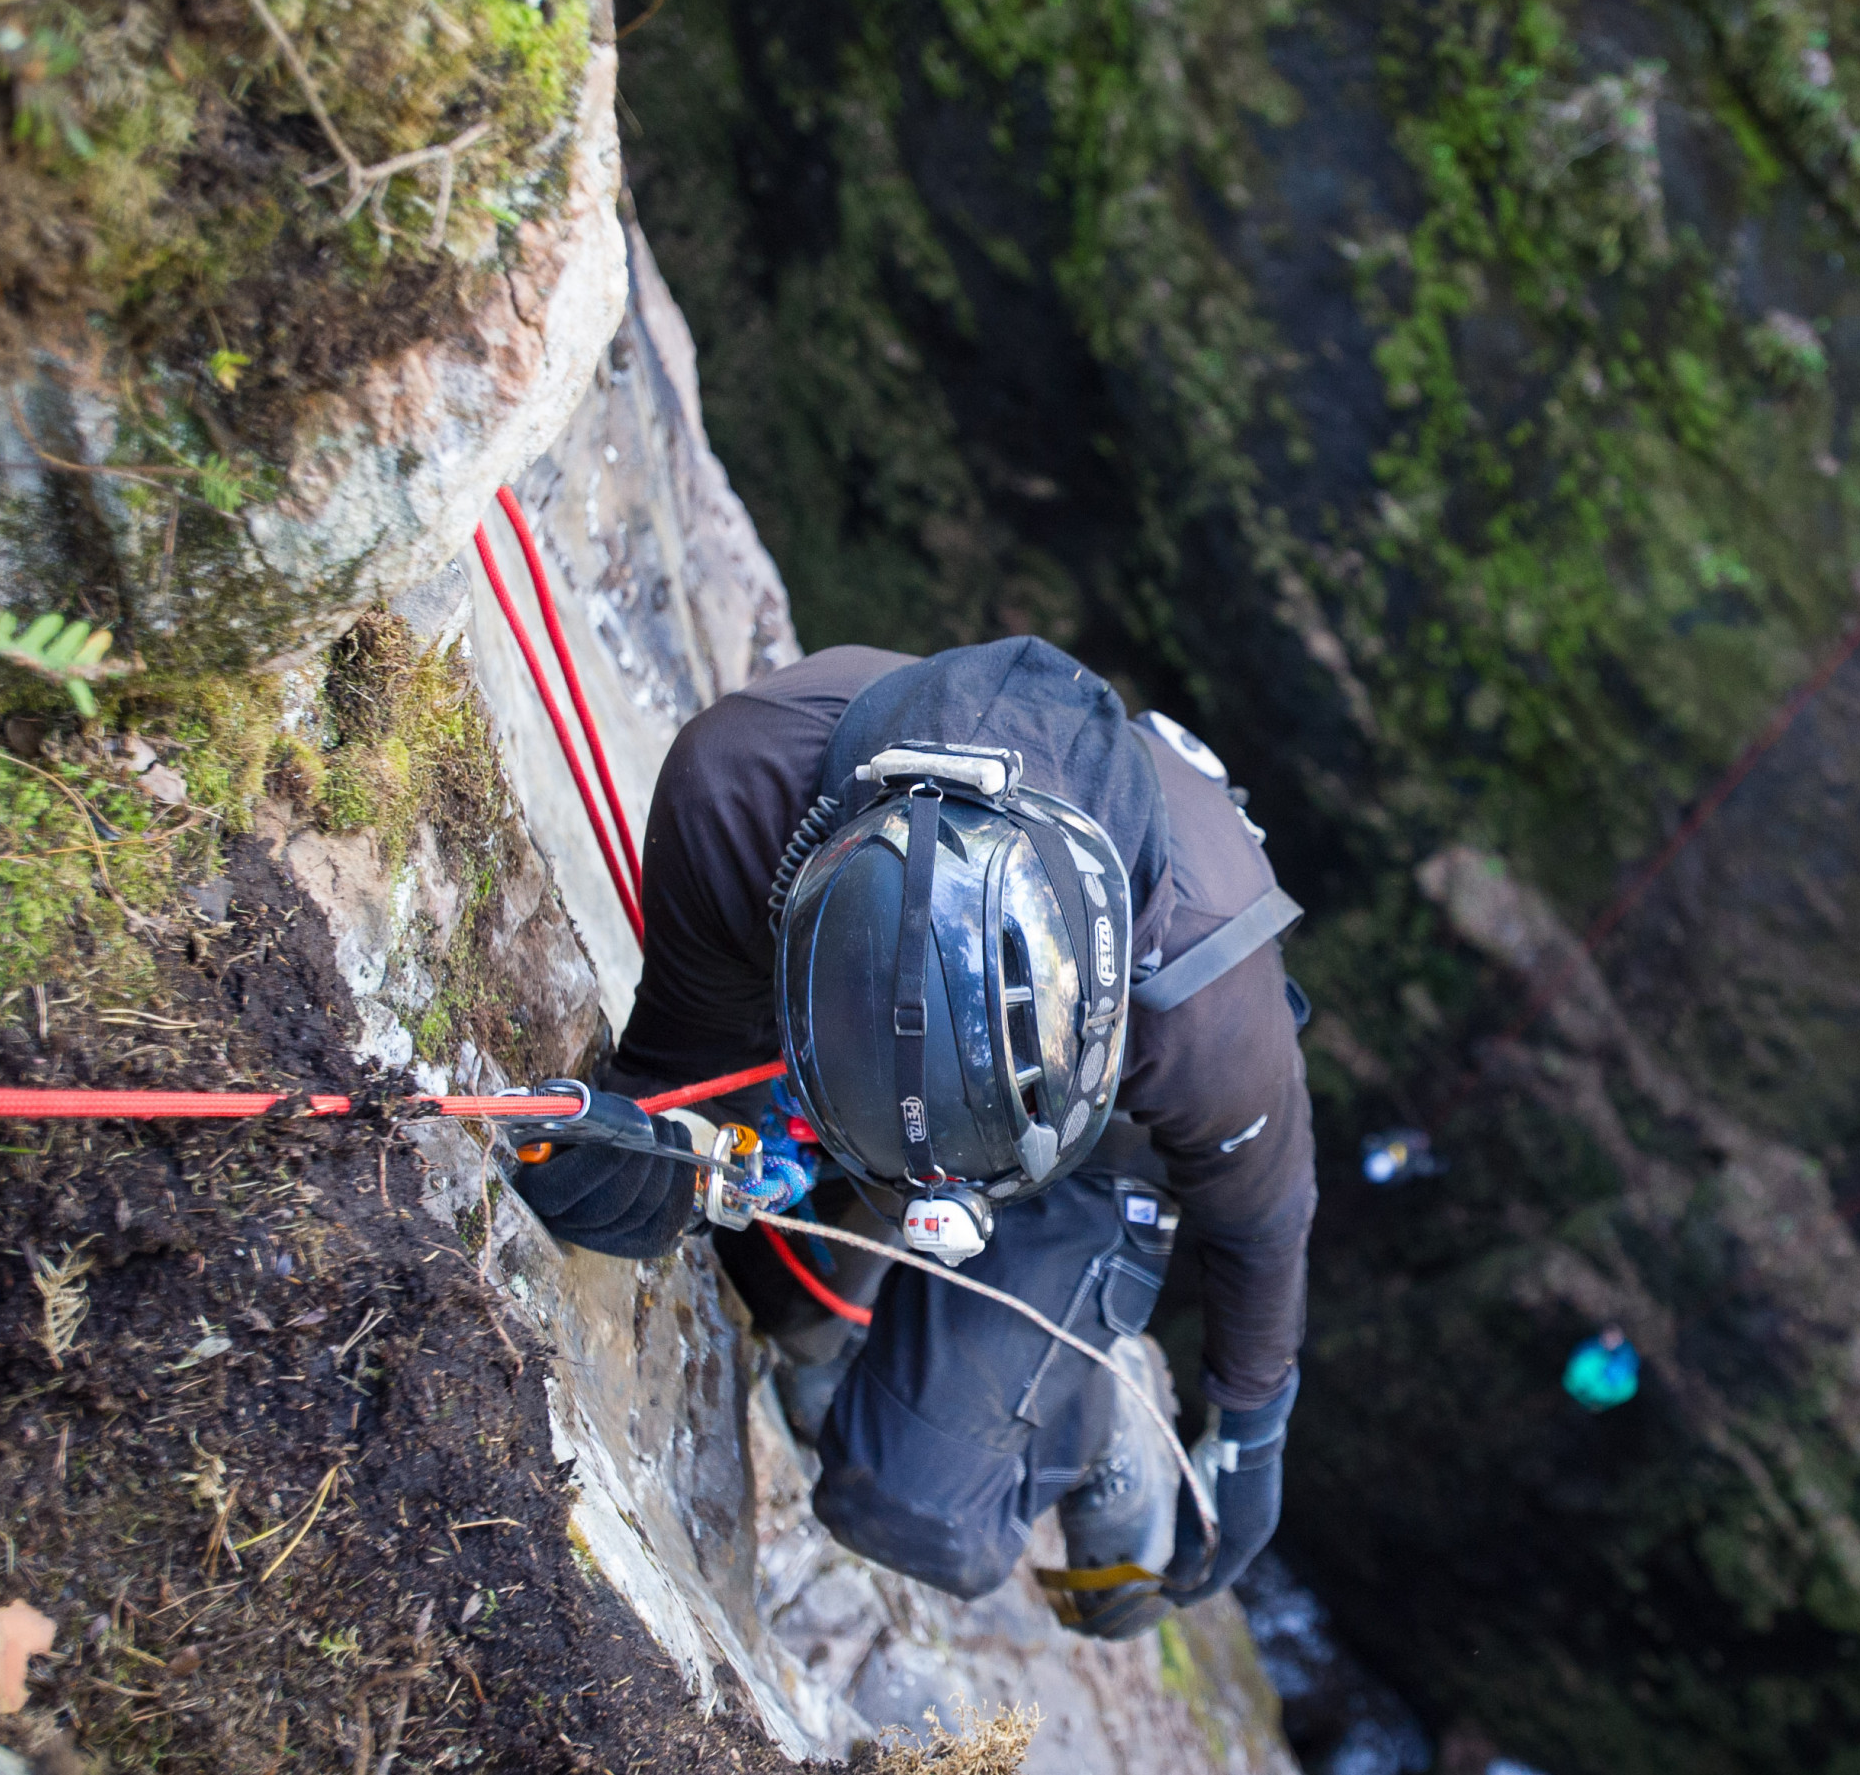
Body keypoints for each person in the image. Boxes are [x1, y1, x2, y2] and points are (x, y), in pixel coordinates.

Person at [504, 638, 1313, 1639]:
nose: (935, 1202)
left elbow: (1263, 1223)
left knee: (919, 1512)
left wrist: (1250, 1430)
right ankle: (865, 1197)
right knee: (797, 1331)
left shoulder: (1205, 1010)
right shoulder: (743, 791)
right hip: (848, 1042)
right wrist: (651, 1170)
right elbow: (686, 1068)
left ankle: (1096, 1400)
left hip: (1099, 1141)